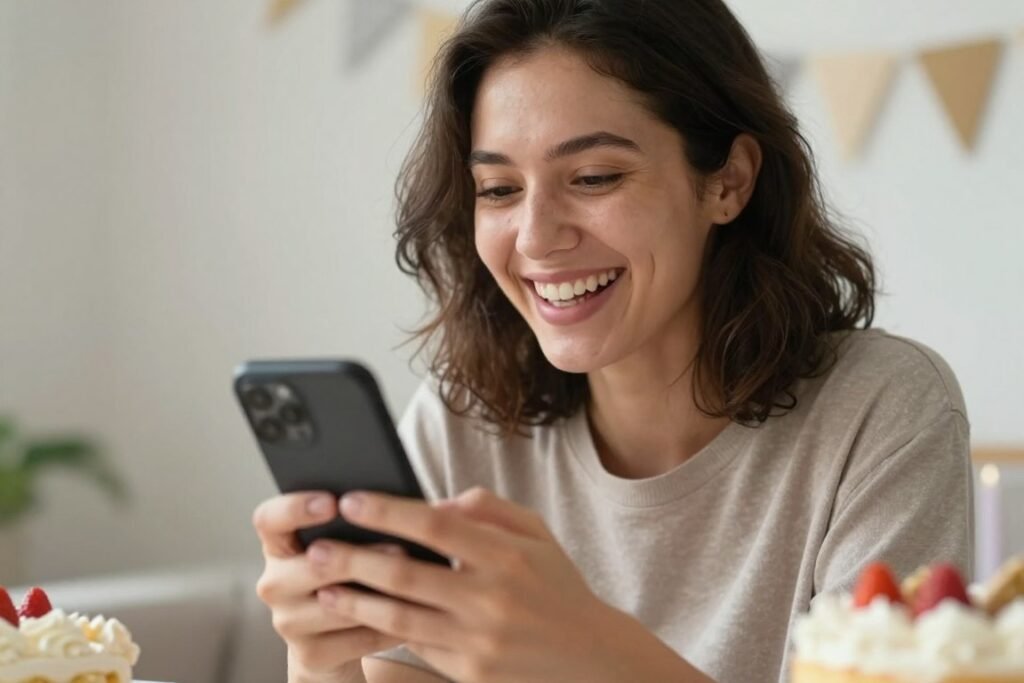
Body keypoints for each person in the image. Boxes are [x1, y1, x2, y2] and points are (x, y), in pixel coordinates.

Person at [252, 0, 973, 681]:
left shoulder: (882, 411)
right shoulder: (461, 425)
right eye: (499, 190)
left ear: (729, 181)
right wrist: (324, 657)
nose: (536, 236)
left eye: (594, 176)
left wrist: (589, 647)